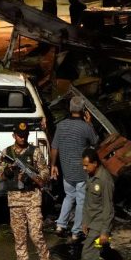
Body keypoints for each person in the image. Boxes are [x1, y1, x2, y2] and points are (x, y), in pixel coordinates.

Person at [0, 122, 53, 260]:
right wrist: (7, 171)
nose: (23, 137)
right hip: (14, 200)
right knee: (19, 237)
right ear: (14, 135)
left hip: (32, 198)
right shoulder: (7, 153)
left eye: (25, 134)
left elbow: (45, 173)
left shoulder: (34, 152)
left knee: (36, 234)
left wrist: (33, 176)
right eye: (20, 135)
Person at [78, 148, 131, 260]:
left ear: (95, 163)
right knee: (104, 251)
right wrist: (84, 221)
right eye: (83, 165)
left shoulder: (105, 180)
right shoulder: (91, 176)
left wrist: (104, 232)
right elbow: (88, 202)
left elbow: (108, 209)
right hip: (91, 223)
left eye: (86, 165)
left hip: (100, 225)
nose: (84, 168)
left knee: (87, 254)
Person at [50, 96, 99, 242]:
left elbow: (54, 147)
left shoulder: (61, 126)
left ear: (70, 109)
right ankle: (76, 231)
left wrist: (53, 165)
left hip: (66, 169)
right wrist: (90, 123)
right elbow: (95, 142)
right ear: (83, 110)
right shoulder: (85, 127)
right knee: (81, 200)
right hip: (81, 170)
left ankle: (60, 225)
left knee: (68, 196)